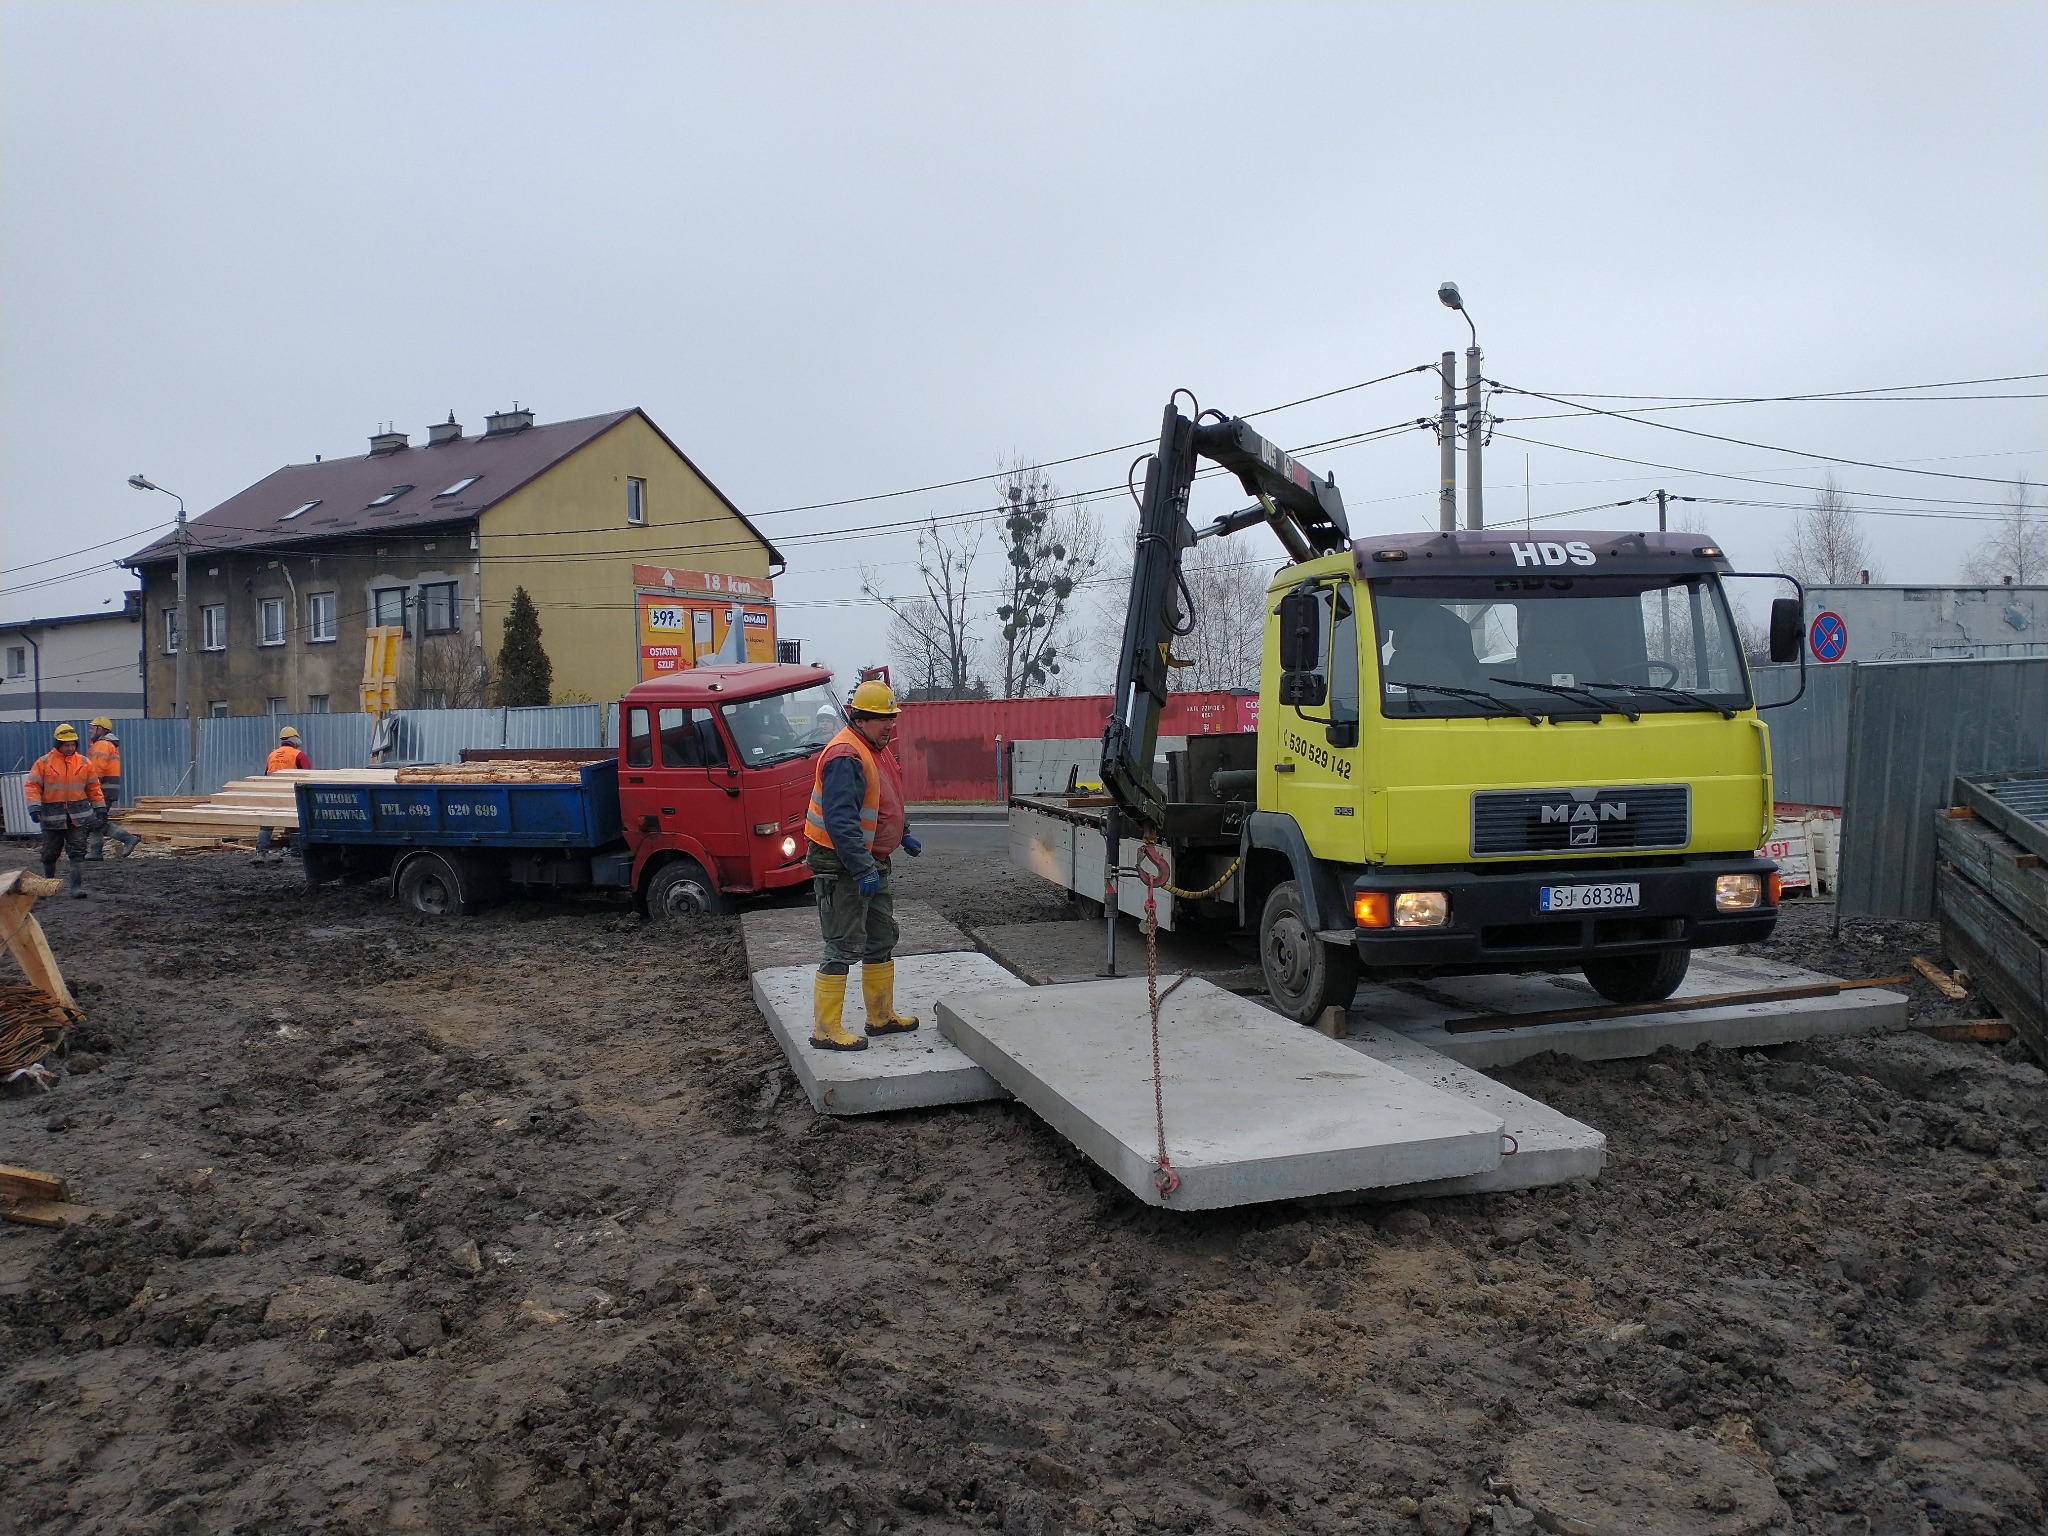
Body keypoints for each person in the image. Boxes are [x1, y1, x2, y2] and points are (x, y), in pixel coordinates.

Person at [802, 679, 923, 1050]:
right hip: (842, 864)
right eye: (882, 719)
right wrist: (861, 868)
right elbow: (841, 821)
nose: (890, 725)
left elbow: (884, 796)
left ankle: (881, 1016)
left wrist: (902, 832)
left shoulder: (875, 748)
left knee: (881, 938)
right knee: (842, 944)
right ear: (860, 718)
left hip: (870, 860)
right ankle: (826, 1030)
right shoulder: (846, 756)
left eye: (892, 718)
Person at [25, 723, 106, 899]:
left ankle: (75, 887)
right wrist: (34, 807)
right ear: (58, 745)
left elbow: (93, 788)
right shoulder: (43, 762)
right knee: (49, 854)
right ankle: (47, 885)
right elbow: (32, 786)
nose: (70, 748)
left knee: (77, 852)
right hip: (52, 816)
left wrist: (100, 807)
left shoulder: (84, 763)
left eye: (72, 744)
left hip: (77, 817)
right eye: (66, 745)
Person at [84, 717, 141, 860]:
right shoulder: (108, 745)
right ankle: (95, 852)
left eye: (93, 727)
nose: (90, 730)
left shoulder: (102, 745)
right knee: (96, 820)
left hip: (100, 790)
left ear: (101, 729)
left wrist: (88, 788)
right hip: (107, 790)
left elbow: (97, 770)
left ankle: (127, 838)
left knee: (95, 821)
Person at [254, 725, 311, 864]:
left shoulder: (272, 754)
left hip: (272, 792)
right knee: (294, 823)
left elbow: (266, 774)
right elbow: (309, 775)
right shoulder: (299, 755)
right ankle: (296, 852)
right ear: (294, 739)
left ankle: (260, 854)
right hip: (290, 793)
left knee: (266, 825)